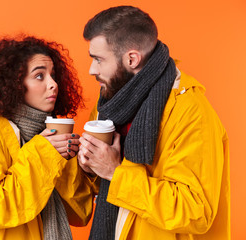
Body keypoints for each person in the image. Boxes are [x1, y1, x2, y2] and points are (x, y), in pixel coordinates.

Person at [78, 6, 230, 240]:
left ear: (132, 59)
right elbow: (98, 192)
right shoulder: (108, 105)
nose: (91, 69)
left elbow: (195, 211)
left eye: (98, 59)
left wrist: (114, 172)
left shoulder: (191, 112)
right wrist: (90, 168)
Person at [0, 35, 95, 240]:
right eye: (39, 76)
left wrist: (78, 166)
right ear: (14, 83)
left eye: (53, 75)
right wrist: (43, 153)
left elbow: (81, 213)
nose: (53, 84)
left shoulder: (49, 134)